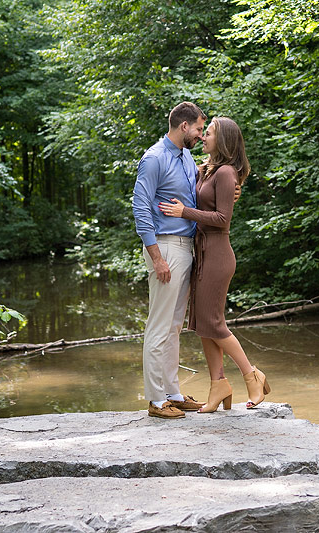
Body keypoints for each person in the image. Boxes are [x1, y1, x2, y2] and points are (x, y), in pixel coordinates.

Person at [158, 116, 270, 411]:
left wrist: (185, 212)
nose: (203, 137)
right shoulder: (207, 170)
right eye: (203, 132)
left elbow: (222, 219)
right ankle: (219, 384)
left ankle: (252, 375)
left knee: (215, 324)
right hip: (202, 255)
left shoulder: (225, 173)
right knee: (202, 324)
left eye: (207, 133)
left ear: (222, 141)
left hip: (218, 256)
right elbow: (185, 177)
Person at [132, 101, 207, 418]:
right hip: (165, 248)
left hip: (186, 246)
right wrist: (157, 257)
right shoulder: (154, 159)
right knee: (159, 326)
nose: (202, 136)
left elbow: (193, 194)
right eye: (199, 129)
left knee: (174, 327)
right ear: (184, 126)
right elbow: (140, 208)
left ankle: (173, 393)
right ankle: (156, 400)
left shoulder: (187, 157)